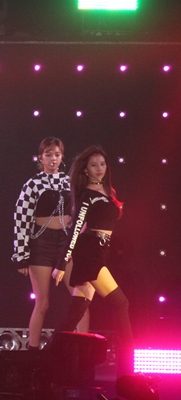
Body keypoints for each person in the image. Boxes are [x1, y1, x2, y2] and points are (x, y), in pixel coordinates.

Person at [52, 145, 133, 375]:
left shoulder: (107, 191)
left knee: (75, 312)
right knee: (121, 303)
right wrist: (61, 263)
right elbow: (76, 228)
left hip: (98, 251)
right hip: (90, 254)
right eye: (94, 165)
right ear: (85, 169)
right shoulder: (87, 194)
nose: (99, 168)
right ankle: (130, 364)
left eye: (102, 164)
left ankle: (48, 360)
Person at [12, 137, 89, 349]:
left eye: (57, 154)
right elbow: (21, 219)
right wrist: (21, 255)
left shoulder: (69, 182)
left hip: (66, 242)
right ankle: (33, 351)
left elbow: (81, 211)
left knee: (81, 297)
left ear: (62, 157)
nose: (53, 159)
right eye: (48, 155)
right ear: (40, 158)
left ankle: (84, 350)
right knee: (43, 303)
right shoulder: (33, 184)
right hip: (41, 243)